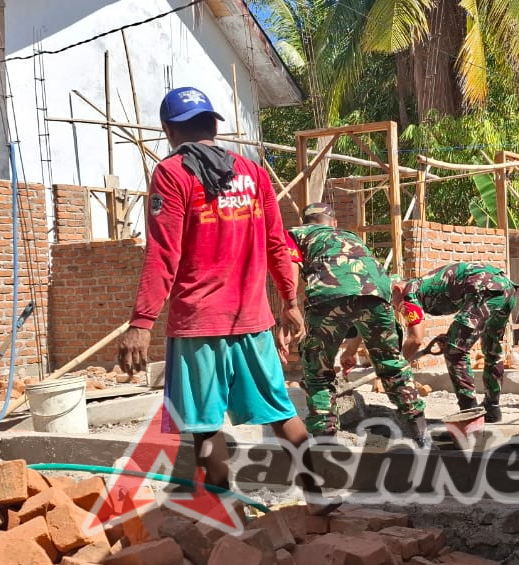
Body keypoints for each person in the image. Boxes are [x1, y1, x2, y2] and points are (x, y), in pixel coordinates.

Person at [117, 86, 333, 511]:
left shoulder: (173, 173)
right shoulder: (253, 174)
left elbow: (164, 253)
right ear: (214, 125)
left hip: (199, 325)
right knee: (281, 410)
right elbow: (277, 243)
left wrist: (141, 321)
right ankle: (318, 496)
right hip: (253, 319)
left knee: (203, 423)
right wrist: (290, 301)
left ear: (168, 129)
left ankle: (222, 508)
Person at [286, 202, 428, 445]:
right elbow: (359, 286)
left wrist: (291, 305)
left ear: (305, 221)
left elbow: (290, 266)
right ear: (333, 223)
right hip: (376, 295)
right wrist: (351, 351)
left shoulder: (295, 234)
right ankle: (418, 430)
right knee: (392, 363)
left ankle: (325, 438)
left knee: (318, 370)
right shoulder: (350, 236)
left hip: (327, 296)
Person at [391, 263, 517, 423]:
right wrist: (452, 336)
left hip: (485, 290)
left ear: (396, 290)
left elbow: (415, 339)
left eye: (393, 304)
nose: (395, 308)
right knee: (492, 349)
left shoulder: (408, 295)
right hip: (505, 289)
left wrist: (397, 364)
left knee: (454, 351)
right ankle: (492, 409)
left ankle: (469, 416)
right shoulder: (422, 285)